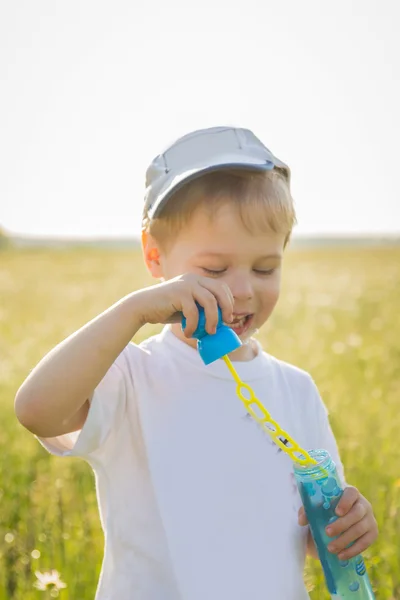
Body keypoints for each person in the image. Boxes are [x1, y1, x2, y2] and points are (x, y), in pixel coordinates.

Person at [15, 126, 378, 600]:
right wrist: (134, 311)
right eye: (214, 270)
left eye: (265, 268)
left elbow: (309, 533)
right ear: (154, 257)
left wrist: (346, 524)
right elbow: (36, 410)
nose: (244, 289)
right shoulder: (130, 376)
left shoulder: (296, 390)